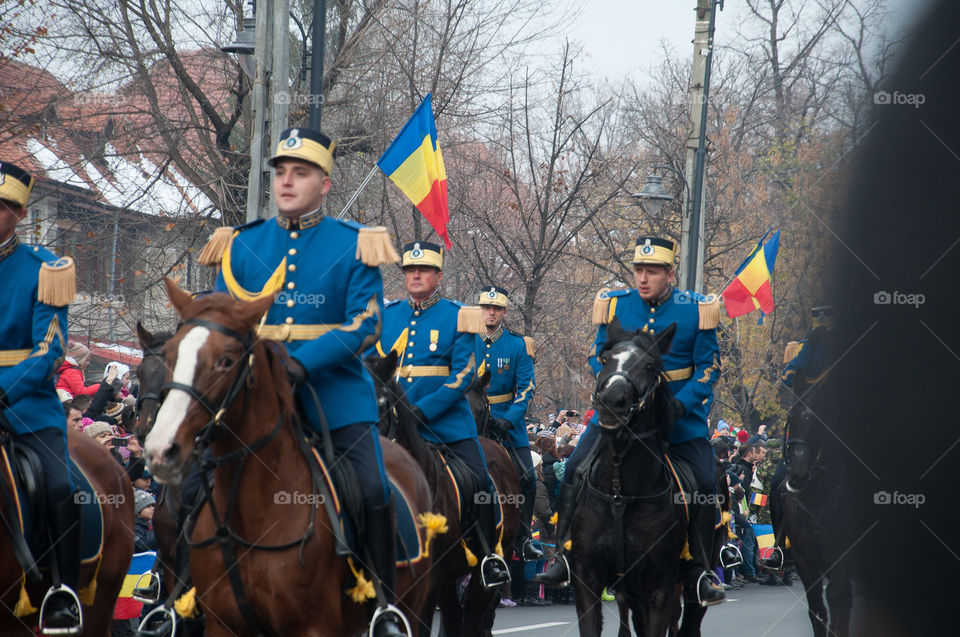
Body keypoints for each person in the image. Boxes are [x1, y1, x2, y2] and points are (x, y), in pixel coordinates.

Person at [204, 127, 406, 636]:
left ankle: (383, 605)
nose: (287, 182)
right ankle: (180, 593)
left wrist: (302, 364)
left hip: (332, 398)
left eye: (301, 173)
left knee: (371, 488)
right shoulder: (241, 245)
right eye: (280, 172)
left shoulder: (356, 243)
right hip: (248, 403)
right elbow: (217, 324)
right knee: (187, 485)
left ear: (326, 183)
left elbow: (365, 324)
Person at [535, 234, 726, 607]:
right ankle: (562, 556)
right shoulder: (615, 305)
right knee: (574, 467)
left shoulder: (695, 310)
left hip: (677, 421)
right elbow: (597, 356)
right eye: (638, 269)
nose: (643, 278)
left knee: (705, 482)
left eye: (652, 271)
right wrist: (616, 385)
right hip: (620, 415)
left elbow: (708, 369)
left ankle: (701, 570)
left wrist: (679, 406)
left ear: (669, 273)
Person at [376, 241, 510, 589]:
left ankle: (487, 556)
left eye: (423, 270)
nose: (415, 275)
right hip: (390, 424)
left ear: (438, 275)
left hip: (445, 425)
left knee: (481, 481)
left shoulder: (459, 315)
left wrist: (420, 412)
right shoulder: (387, 317)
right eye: (409, 270)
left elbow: (464, 374)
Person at [0, 161, 84, 633]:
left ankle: (63, 592)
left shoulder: (45, 270)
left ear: (17, 213)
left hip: (25, 402)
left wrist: (3, 391)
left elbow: (49, 349)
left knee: (58, 486)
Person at [474, 285, 543, 561]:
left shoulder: (517, 345)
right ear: (479, 310)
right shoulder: (464, 341)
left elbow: (526, 389)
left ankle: (523, 538)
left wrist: (507, 420)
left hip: (506, 421)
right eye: (486, 307)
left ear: (503, 312)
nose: (490, 312)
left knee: (527, 477)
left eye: (496, 308)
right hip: (469, 419)